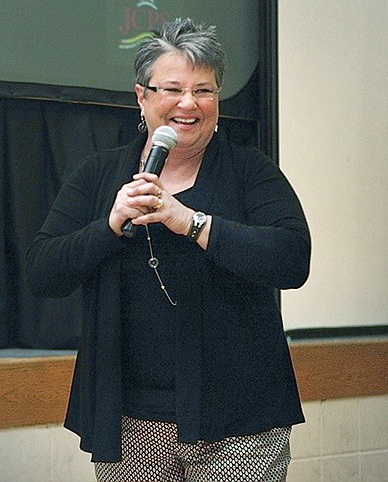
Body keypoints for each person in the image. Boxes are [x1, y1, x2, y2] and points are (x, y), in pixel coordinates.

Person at [26, 17, 310, 481]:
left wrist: (192, 222)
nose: (188, 104)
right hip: (130, 422)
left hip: (238, 422)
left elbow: (292, 259)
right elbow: (43, 271)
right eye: (173, 89)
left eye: (205, 90)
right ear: (142, 97)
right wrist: (110, 224)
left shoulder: (250, 171)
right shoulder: (100, 175)